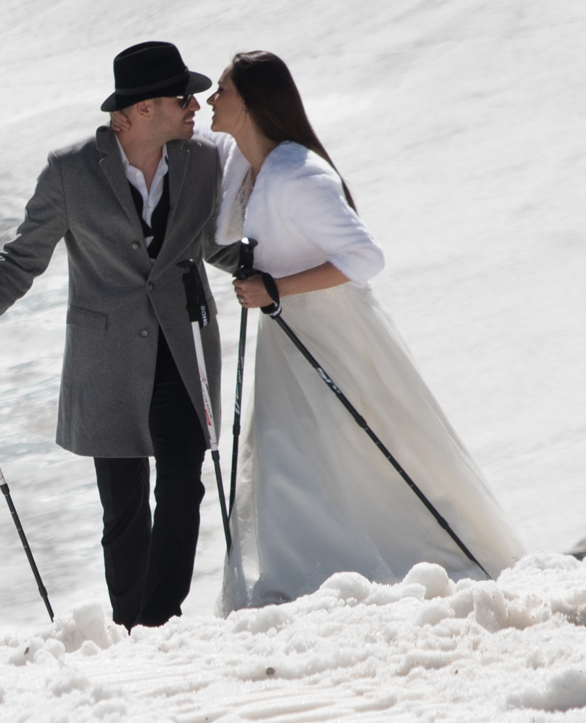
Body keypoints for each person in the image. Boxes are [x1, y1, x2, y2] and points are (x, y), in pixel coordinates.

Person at [0, 41, 237, 629]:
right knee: (124, 510)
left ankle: (159, 623)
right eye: (183, 97)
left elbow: (211, 243)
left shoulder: (201, 161)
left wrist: (263, 268)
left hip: (183, 347)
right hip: (108, 360)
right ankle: (129, 627)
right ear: (142, 109)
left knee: (182, 485)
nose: (195, 106)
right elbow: (22, 258)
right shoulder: (69, 171)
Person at [208, 52, 526, 613]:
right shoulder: (247, 163)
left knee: (357, 451)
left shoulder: (299, 173)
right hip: (286, 339)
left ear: (251, 103)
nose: (212, 99)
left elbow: (365, 257)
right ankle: (299, 577)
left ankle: (358, 569)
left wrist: (276, 287)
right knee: (287, 452)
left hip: (333, 334)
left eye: (222, 89)